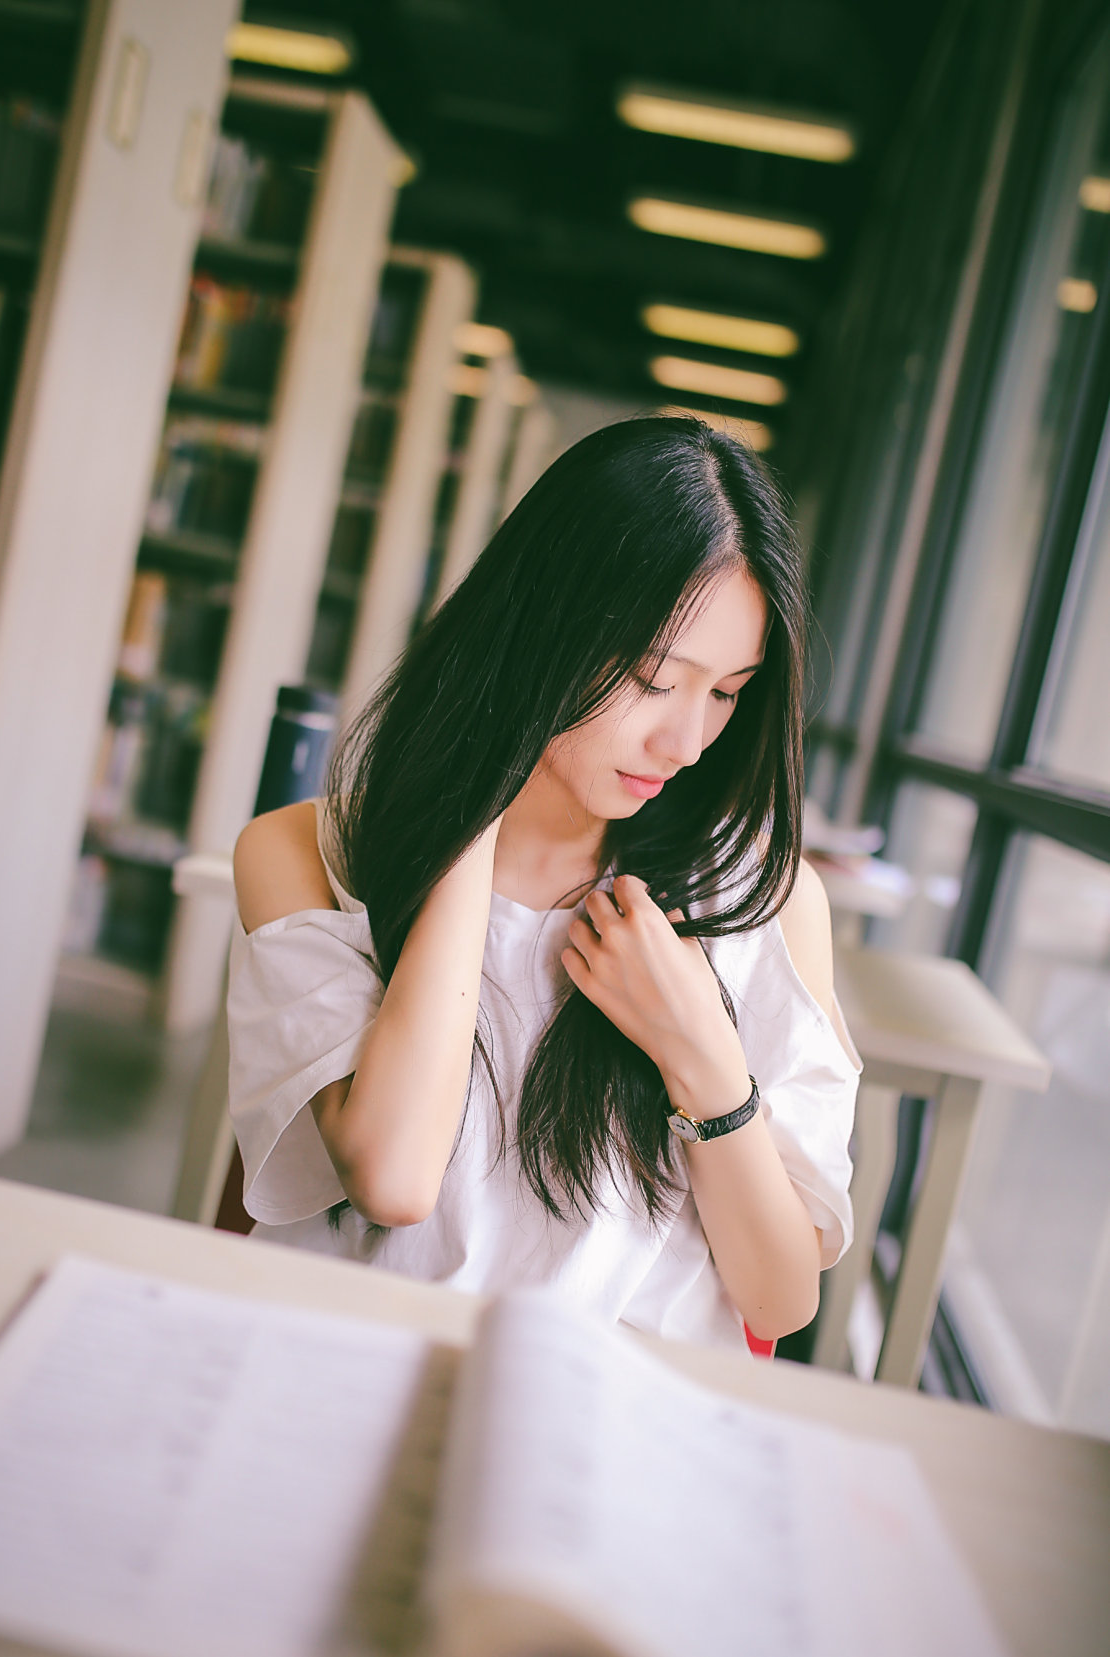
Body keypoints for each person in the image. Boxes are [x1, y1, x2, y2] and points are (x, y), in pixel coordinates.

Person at [230, 415, 860, 1350]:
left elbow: (779, 1299)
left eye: (726, 692)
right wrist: (470, 810)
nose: (686, 743)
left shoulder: (762, 902)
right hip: (347, 1371)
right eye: (654, 679)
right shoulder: (309, 854)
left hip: (612, 1436)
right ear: (537, 636)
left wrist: (701, 1052)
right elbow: (392, 1177)